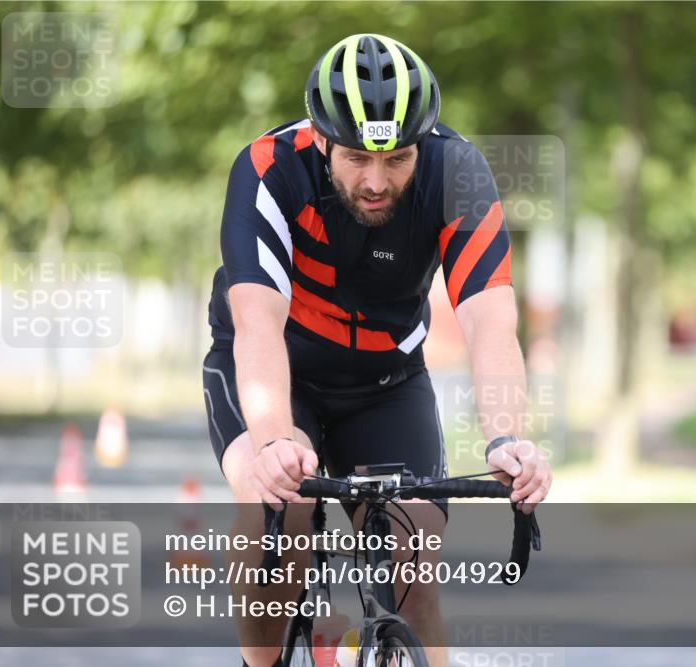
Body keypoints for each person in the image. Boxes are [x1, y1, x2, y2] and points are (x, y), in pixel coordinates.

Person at [201, 33, 552, 667]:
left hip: (386, 381)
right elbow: (255, 323)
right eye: (359, 158)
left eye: (398, 160)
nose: (376, 181)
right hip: (278, 369)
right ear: (322, 138)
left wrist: (507, 439)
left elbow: (490, 322)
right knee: (276, 527)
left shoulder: (457, 173)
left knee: (414, 565)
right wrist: (277, 442)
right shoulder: (269, 168)